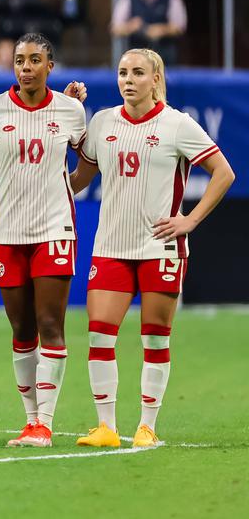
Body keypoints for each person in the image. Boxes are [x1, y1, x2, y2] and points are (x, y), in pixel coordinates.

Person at [71, 49, 233, 449]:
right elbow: (79, 179)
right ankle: (106, 426)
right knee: (99, 334)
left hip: (160, 246)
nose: (128, 79)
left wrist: (190, 219)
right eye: (123, 72)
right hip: (111, 244)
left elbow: (223, 172)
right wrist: (66, 122)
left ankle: (147, 427)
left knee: (155, 338)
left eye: (138, 73)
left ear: (155, 78)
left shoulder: (177, 124)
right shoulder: (103, 121)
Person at [0, 33, 88, 448]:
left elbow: (88, 163)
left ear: (49, 66)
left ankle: (46, 424)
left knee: (51, 324)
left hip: (54, 230)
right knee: (21, 329)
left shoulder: (71, 110)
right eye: (20, 60)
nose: (25, 67)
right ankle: (30, 420)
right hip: (8, 233)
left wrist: (66, 189)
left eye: (35, 60)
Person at [111, 0, 187, 65]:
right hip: (136, 60)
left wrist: (162, 29)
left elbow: (180, 27)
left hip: (165, 60)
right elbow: (115, 29)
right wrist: (131, 26)